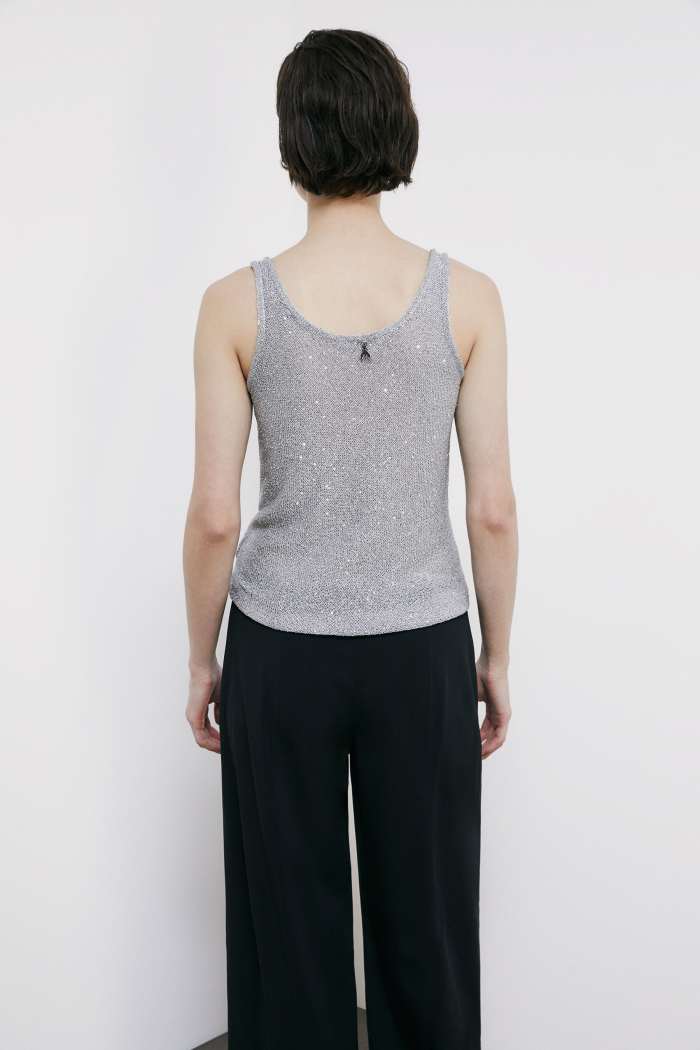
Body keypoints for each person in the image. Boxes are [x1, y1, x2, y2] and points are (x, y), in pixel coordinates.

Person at [182, 27, 517, 1050]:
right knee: (428, 935)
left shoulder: (234, 305)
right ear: (397, 129)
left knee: (289, 940)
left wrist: (201, 658)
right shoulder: (468, 298)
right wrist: (495, 656)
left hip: (280, 652)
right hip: (421, 648)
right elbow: (492, 507)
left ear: (292, 139)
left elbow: (214, 515)